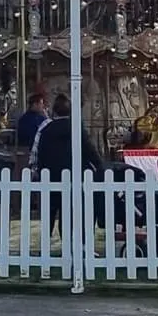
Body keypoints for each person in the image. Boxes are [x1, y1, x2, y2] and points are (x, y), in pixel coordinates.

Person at [30, 93, 104, 238]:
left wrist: (36, 170)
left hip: (50, 176)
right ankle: (71, 241)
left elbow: (37, 151)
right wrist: (99, 166)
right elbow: (90, 150)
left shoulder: (45, 129)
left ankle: (46, 241)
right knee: (71, 211)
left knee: (50, 211)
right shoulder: (76, 129)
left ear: (54, 111)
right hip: (73, 176)